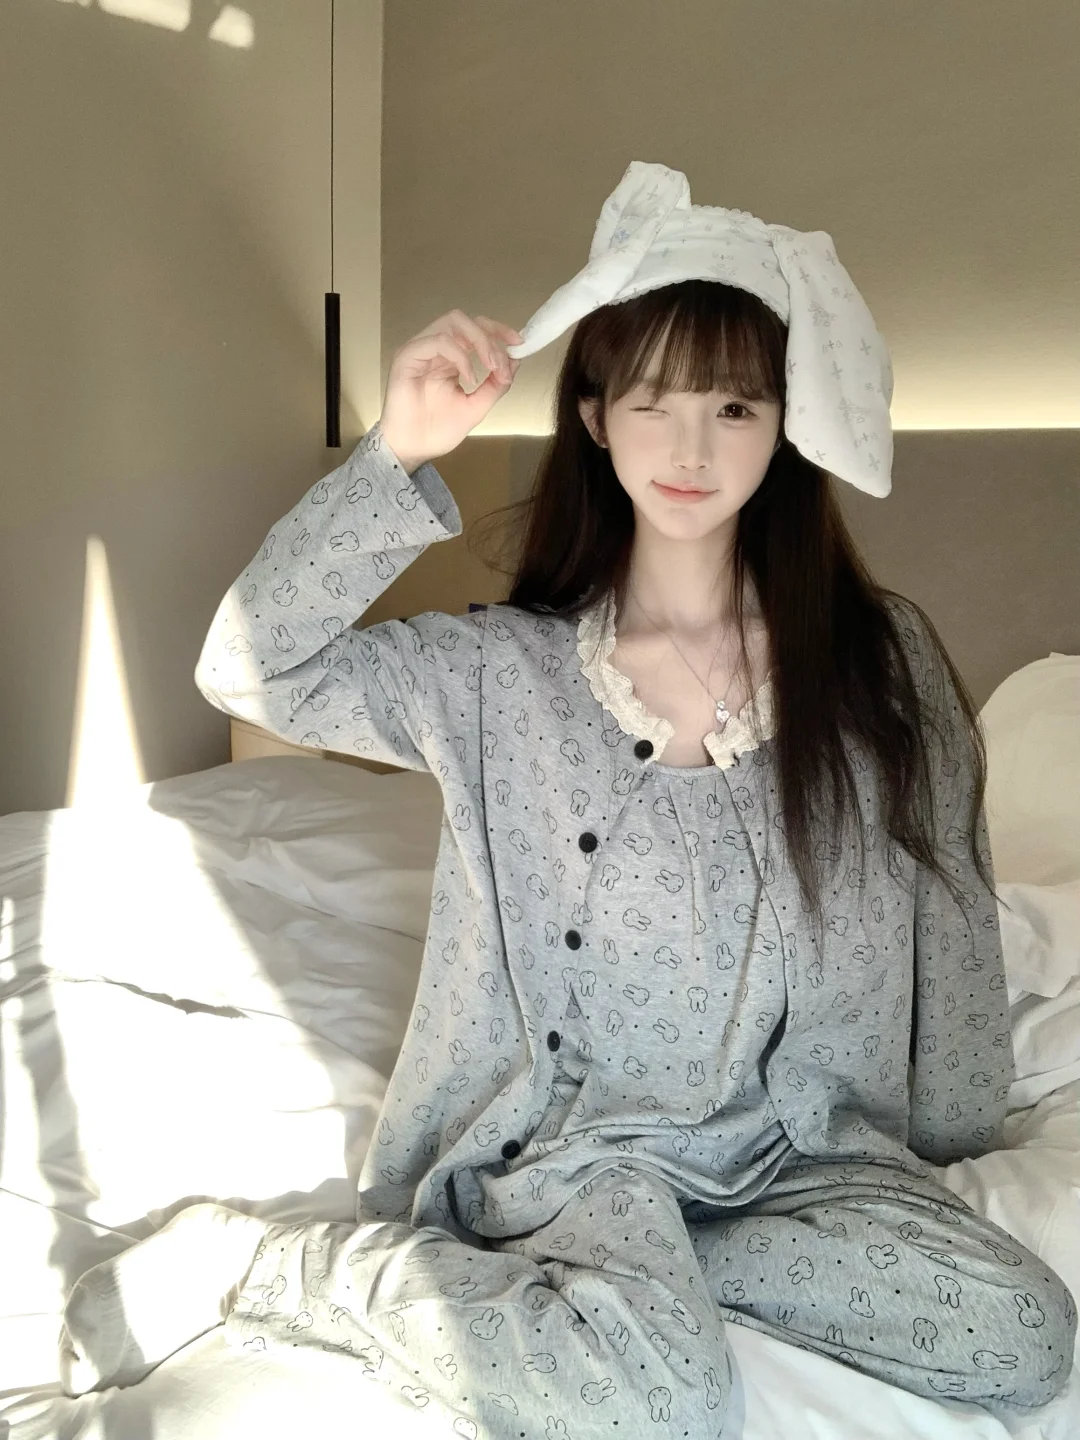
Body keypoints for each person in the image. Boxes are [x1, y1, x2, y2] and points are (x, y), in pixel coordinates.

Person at [60, 291, 1076, 1438]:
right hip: (581, 1154)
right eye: (654, 402)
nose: (691, 448)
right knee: (660, 1407)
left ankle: (652, 1288)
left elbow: (950, 901)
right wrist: (399, 450)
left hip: (801, 1157)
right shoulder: (503, 673)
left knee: (1025, 1334)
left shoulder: (878, 662)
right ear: (596, 418)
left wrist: (950, 1147)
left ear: (784, 428)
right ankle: (274, 1267)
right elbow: (250, 670)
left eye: (734, 407)